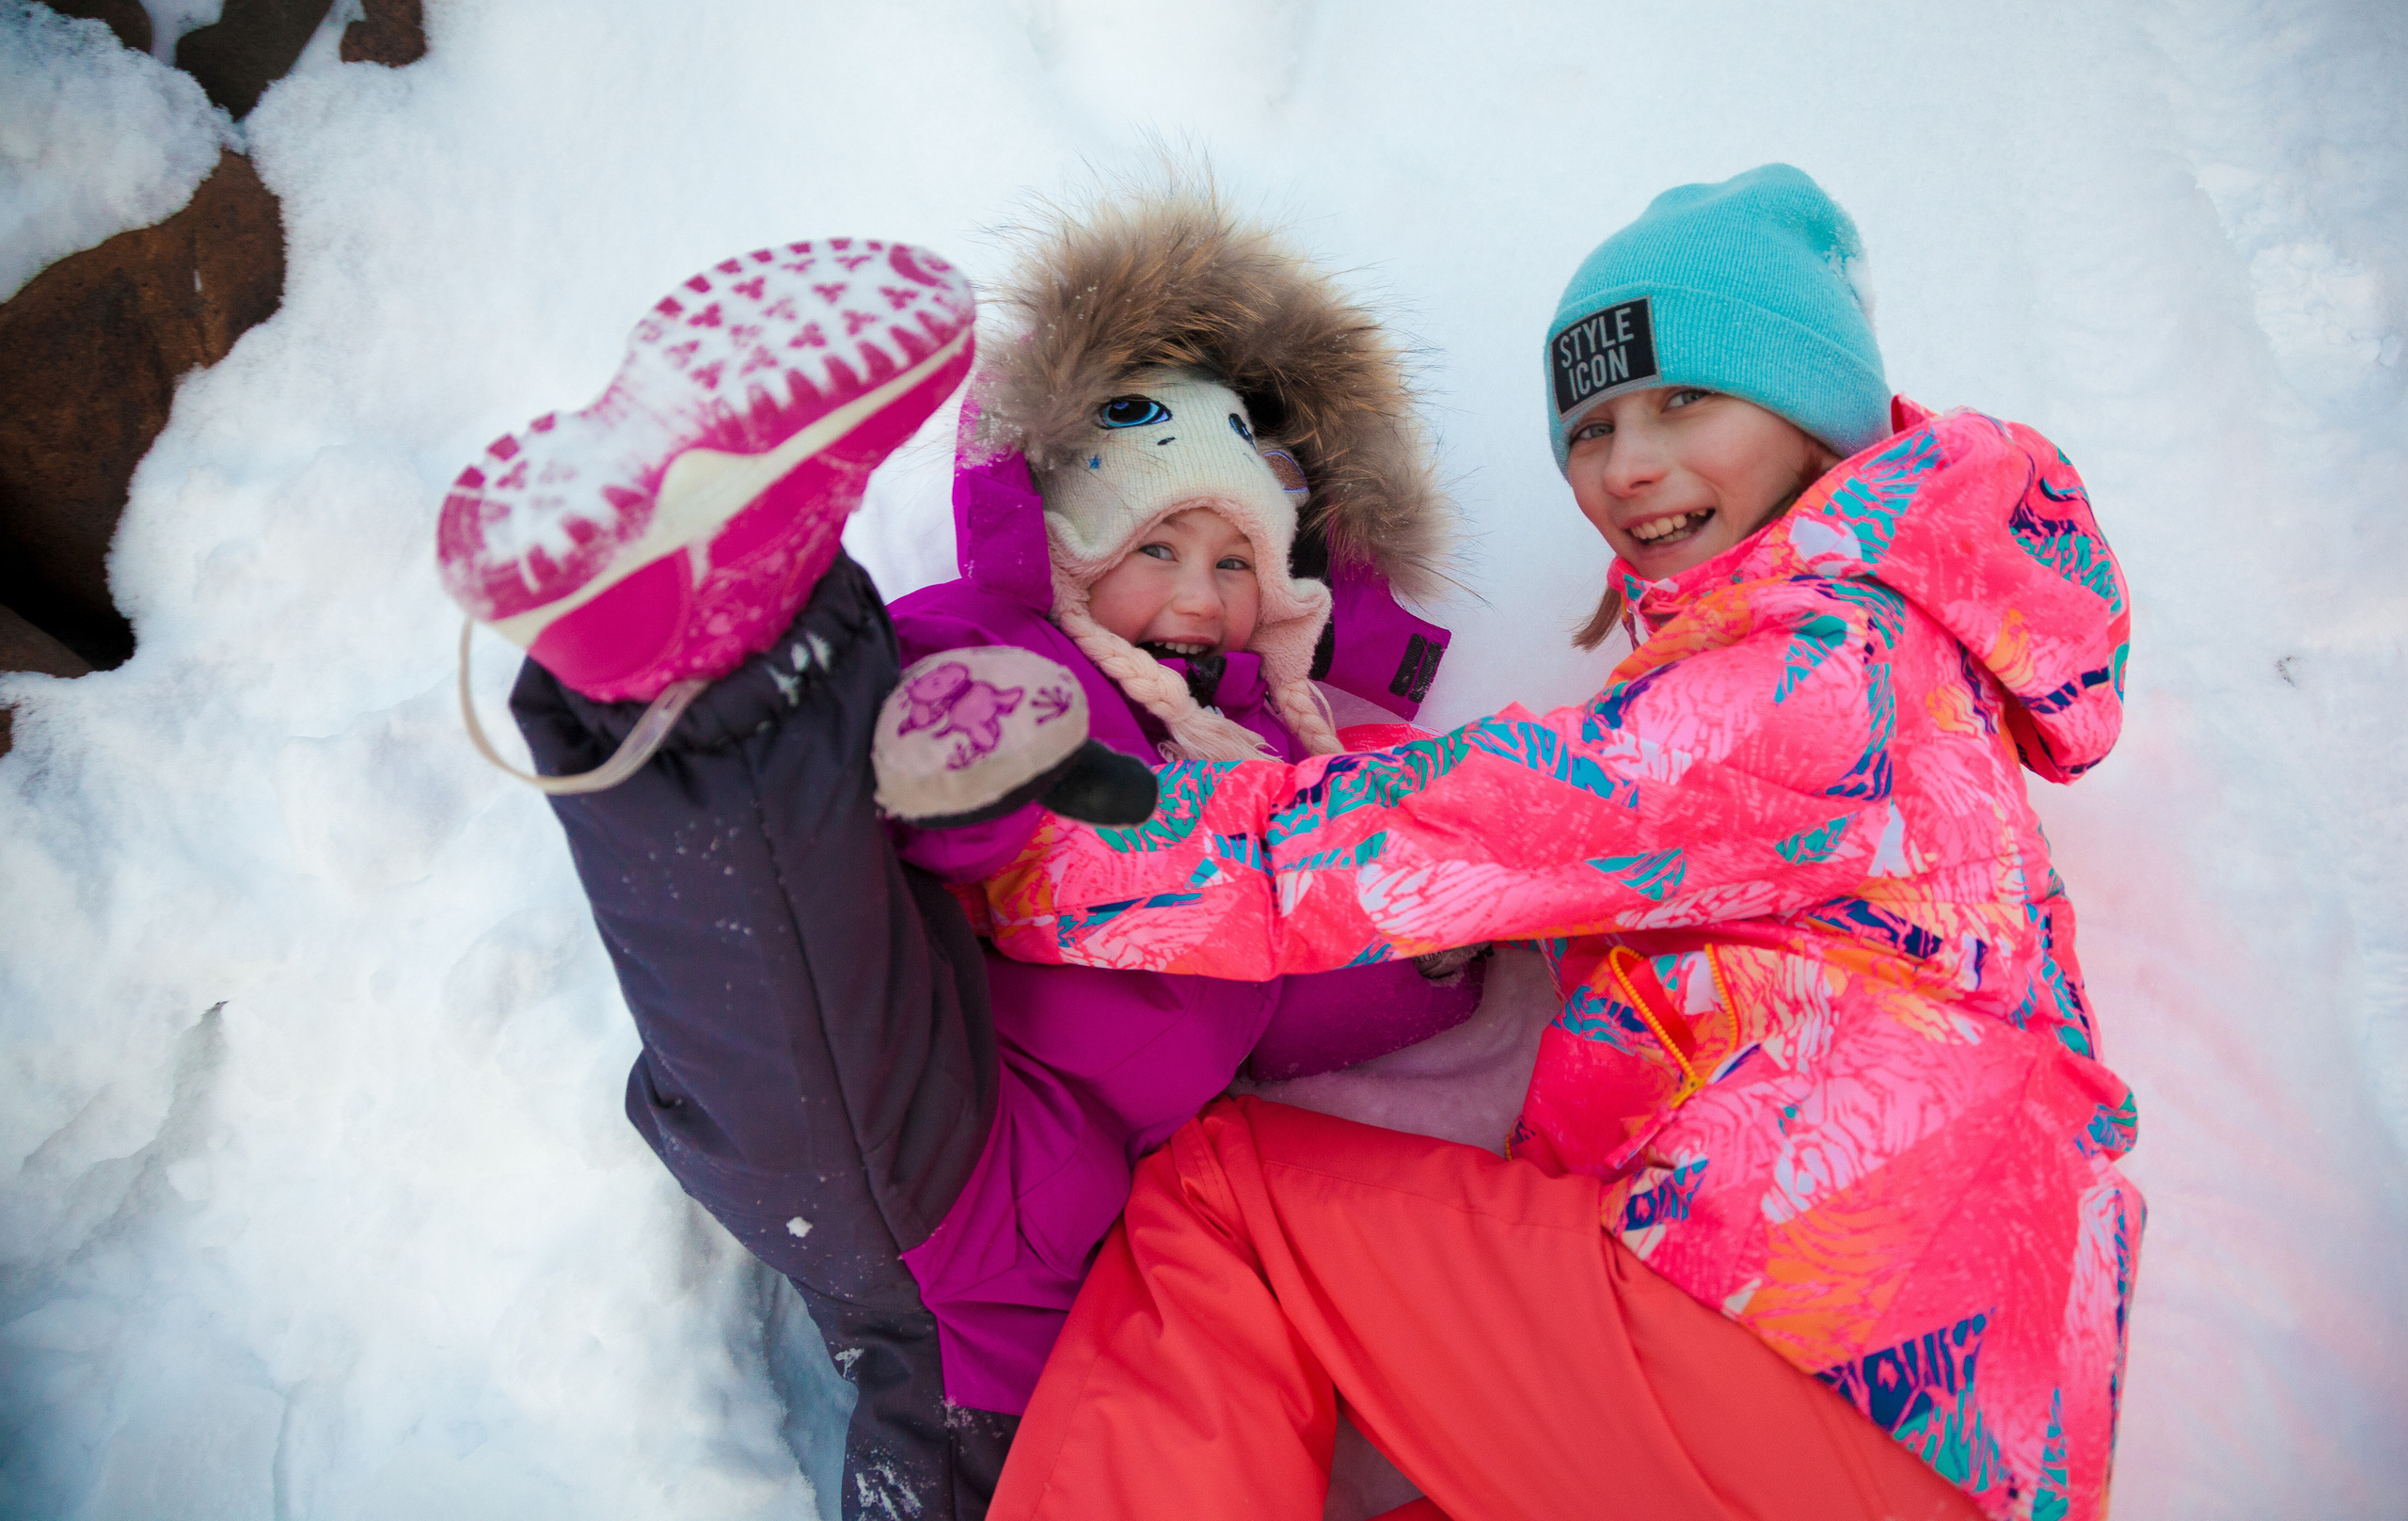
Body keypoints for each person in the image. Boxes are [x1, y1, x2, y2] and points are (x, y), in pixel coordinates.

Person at [970, 165, 2141, 1521]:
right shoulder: (1881, 672)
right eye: (1588, 426)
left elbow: (1443, 831)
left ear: (1815, 407)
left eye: (1685, 398)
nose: (1628, 462)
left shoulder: (1827, 675)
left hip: (1808, 1383)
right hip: (1899, 1442)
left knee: (1228, 1202)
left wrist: (1033, 851)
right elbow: (1545, 818)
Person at [435, 188, 1477, 1520]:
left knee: (1021, 1459)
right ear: (1066, 543)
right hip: (937, 1100)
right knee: (779, 935)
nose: (1203, 594)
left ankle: (722, 620)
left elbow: (1289, 1002)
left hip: (1030, 1230)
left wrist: (1430, 956)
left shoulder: (1278, 758)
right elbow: (926, 771)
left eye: (1237, 562)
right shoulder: (1004, 639)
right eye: (1159, 545)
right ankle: (707, 638)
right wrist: (975, 784)